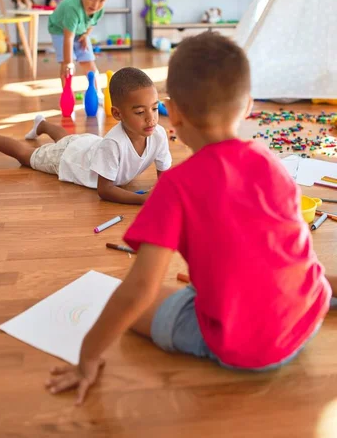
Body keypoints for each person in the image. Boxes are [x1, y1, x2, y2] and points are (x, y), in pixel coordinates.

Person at [45, 32, 336, 404]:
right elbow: (292, 242)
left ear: (173, 112)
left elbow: (139, 290)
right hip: (307, 314)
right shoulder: (269, 160)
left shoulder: (176, 186)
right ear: (247, 105)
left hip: (254, 350)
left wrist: (87, 357)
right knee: (299, 270)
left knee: (133, 307)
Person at [0, 68, 172, 205]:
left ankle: (41, 124)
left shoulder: (159, 135)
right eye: (139, 112)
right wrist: (141, 199)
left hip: (89, 147)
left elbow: (164, 175)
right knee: (26, 155)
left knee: (66, 140)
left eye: (154, 108)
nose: (150, 118)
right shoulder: (114, 144)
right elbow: (105, 190)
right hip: (69, 159)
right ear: (117, 114)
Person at [48, 0, 113, 98]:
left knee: (89, 61)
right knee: (68, 66)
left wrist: (85, 35)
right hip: (60, 30)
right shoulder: (73, 9)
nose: (95, 4)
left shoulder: (99, 9)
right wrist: (68, 62)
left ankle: (96, 92)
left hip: (79, 30)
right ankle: (67, 94)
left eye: (101, 0)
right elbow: (68, 38)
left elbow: (91, 23)